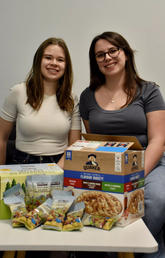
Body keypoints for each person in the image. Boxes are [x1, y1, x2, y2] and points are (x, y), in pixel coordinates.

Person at [79, 31, 165, 258]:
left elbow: (158, 140)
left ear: (125, 53)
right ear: (95, 62)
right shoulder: (87, 96)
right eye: (100, 55)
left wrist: (134, 177)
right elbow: (92, 139)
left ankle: (141, 250)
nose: (107, 57)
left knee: (156, 200)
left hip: (149, 161)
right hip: (107, 165)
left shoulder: (149, 90)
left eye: (112, 50)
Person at [0, 37, 81, 169]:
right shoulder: (18, 92)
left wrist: (56, 170)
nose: (54, 63)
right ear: (38, 61)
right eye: (48, 58)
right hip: (23, 164)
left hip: (60, 165)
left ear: (66, 66)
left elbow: (75, 145)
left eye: (60, 60)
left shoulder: (71, 98)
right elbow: (1, 138)